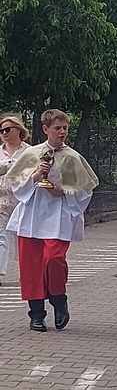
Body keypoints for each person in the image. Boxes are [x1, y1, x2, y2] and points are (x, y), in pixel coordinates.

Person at [5, 109, 98, 331]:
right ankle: (36, 314)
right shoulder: (32, 154)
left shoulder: (73, 157)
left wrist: (63, 191)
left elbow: (86, 191)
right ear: (46, 129)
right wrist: (36, 176)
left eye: (65, 128)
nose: (62, 132)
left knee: (53, 259)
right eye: (58, 128)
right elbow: (16, 186)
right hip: (32, 217)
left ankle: (59, 300)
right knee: (31, 267)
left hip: (58, 216)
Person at [0, 117, 31, 286]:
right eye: (1, 131)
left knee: (23, 239)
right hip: (1, 200)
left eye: (7, 129)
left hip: (22, 200)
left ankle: (26, 273)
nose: (4, 133)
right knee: (0, 238)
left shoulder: (29, 151)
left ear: (18, 130)